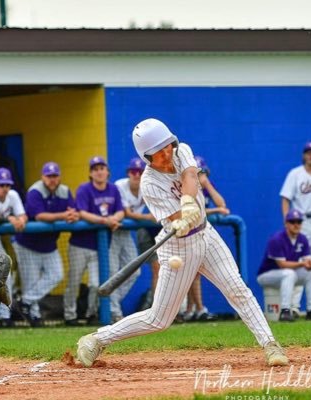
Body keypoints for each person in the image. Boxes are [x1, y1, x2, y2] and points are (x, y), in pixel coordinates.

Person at [76, 118, 288, 368]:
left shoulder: (181, 150)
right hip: (178, 246)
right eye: (159, 151)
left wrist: (188, 203)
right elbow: (176, 218)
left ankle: (270, 344)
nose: (167, 153)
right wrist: (179, 220)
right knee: (159, 319)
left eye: (168, 145)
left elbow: (189, 175)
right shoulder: (149, 183)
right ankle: (97, 339)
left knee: (237, 289)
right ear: (147, 156)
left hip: (206, 235)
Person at [13, 161, 79, 327]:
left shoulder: (64, 191)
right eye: (49, 176)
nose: (52, 179)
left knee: (57, 274)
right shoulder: (35, 191)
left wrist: (72, 215)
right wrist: (64, 215)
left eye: (55, 176)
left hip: (49, 244)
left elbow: (72, 211)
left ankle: (24, 302)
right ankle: (34, 317)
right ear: (43, 177)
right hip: (28, 244)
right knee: (31, 281)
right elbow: (40, 216)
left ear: (59, 177)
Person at [64, 156, 124, 326]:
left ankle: (91, 313)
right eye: (95, 169)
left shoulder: (113, 189)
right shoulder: (84, 189)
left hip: (100, 247)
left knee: (95, 283)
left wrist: (114, 218)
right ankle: (70, 316)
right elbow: (82, 213)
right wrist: (105, 221)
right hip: (79, 245)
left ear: (107, 172)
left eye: (102, 168)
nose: (99, 172)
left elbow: (121, 212)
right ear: (90, 173)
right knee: (73, 282)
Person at [182, 155, 230, 322]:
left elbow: (221, 203)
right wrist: (216, 212)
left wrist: (207, 183)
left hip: (203, 233)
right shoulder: (188, 188)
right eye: (197, 173)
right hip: (188, 234)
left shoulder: (206, 186)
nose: (200, 176)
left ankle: (191, 310)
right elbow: (197, 212)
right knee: (192, 273)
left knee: (194, 273)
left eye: (202, 173)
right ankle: (198, 309)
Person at [280, 141, 311, 315]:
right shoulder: (295, 174)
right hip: (300, 222)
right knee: (299, 263)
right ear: (304, 155)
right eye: (308, 152)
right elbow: (285, 198)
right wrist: (287, 220)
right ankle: (294, 306)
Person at [257, 209, 311, 322]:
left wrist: (310, 264)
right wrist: (302, 263)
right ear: (286, 223)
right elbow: (282, 264)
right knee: (289, 273)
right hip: (267, 275)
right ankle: (285, 311)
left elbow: (307, 260)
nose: (296, 225)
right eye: (292, 222)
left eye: (299, 222)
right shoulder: (276, 239)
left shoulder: (302, 238)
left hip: (287, 274)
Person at [112, 157, 151, 322]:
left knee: (135, 271)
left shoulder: (147, 187)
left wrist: (147, 217)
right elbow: (127, 213)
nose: (136, 175)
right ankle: (113, 310)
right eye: (133, 172)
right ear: (129, 173)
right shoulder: (120, 185)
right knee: (113, 272)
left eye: (140, 172)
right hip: (112, 232)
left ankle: (109, 304)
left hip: (126, 233)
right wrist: (149, 218)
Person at [0, 167, 27, 328]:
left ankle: (5, 316)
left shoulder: (12, 195)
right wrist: (9, 218)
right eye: (1, 185)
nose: (5, 188)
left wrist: (21, 220)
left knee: (6, 274)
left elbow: (22, 215)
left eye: (7, 185)